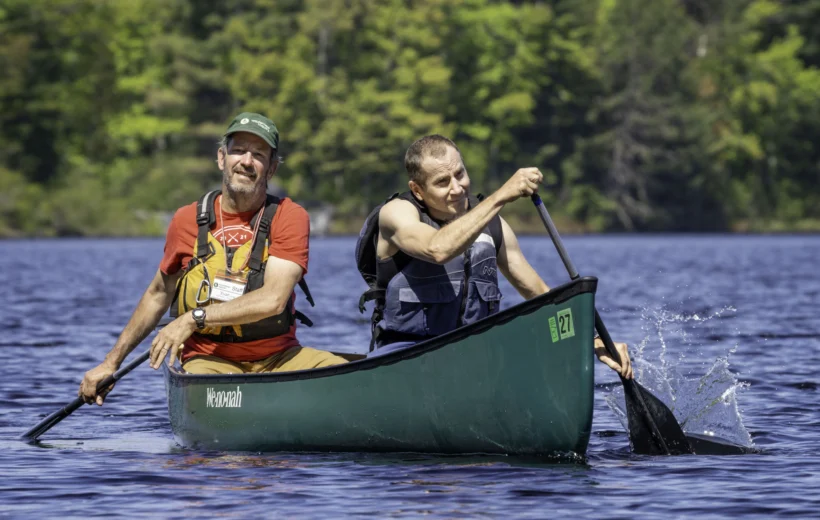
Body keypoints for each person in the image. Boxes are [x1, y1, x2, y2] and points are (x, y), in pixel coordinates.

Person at [80, 112, 347, 405]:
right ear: (221, 158)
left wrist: (193, 318)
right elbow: (158, 294)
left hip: (280, 358)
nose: (246, 161)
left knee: (350, 378)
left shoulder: (290, 216)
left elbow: (273, 299)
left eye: (258, 154)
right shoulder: (185, 220)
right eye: (238, 151)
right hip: (209, 363)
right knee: (222, 405)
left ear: (271, 169)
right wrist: (111, 363)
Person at [360, 135, 632, 378]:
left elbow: (540, 294)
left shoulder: (494, 226)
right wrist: (502, 194)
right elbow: (437, 249)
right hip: (403, 357)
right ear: (418, 189)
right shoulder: (396, 214)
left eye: (460, 174)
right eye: (442, 182)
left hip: (473, 358)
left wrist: (593, 340)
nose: (457, 188)